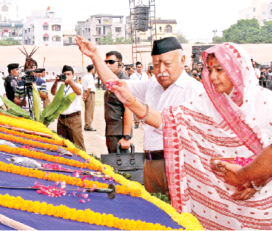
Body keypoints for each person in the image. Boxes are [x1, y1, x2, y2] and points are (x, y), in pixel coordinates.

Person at [107, 42, 272, 230]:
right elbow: (167, 120)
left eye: (220, 70)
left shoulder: (265, 102)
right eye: (210, 70)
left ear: (237, 69)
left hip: (260, 201)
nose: (213, 76)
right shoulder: (207, 103)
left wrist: (257, 178)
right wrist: (132, 102)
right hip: (218, 198)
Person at [76, 36, 204, 195]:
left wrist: (133, 103)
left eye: (167, 64)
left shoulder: (195, 90)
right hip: (150, 163)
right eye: (156, 64)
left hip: (178, 165)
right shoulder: (153, 84)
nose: (161, 70)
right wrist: (95, 55)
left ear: (182, 60)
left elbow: (167, 122)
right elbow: (115, 84)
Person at [102, 51, 132, 153]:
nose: (107, 65)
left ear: (120, 64)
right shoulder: (112, 80)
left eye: (111, 62)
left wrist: (126, 137)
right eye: (105, 62)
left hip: (119, 132)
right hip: (111, 130)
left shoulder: (124, 81)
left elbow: (129, 110)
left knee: (120, 165)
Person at [51, 65, 85, 150]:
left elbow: (78, 92)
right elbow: (53, 92)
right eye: (64, 74)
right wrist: (56, 82)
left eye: (68, 74)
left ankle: (83, 162)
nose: (66, 76)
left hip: (73, 118)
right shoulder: (60, 85)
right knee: (62, 144)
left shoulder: (77, 85)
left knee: (77, 144)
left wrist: (70, 82)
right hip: (61, 118)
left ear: (73, 75)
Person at [81, 64, 96, 131]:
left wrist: (84, 95)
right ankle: (88, 125)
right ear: (92, 69)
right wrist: (86, 96)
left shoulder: (84, 76)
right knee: (90, 110)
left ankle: (87, 124)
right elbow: (89, 88)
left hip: (85, 92)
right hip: (89, 94)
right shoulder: (90, 77)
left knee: (87, 110)